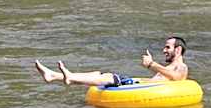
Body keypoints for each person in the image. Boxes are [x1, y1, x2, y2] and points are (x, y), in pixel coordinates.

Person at [34, 36, 189, 87]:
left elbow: (176, 77)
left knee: (107, 77)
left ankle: (63, 76)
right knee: (99, 75)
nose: (164, 50)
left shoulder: (182, 67)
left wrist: (151, 64)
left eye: (167, 47)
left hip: (138, 88)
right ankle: (54, 75)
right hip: (137, 85)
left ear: (178, 50)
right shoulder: (169, 67)